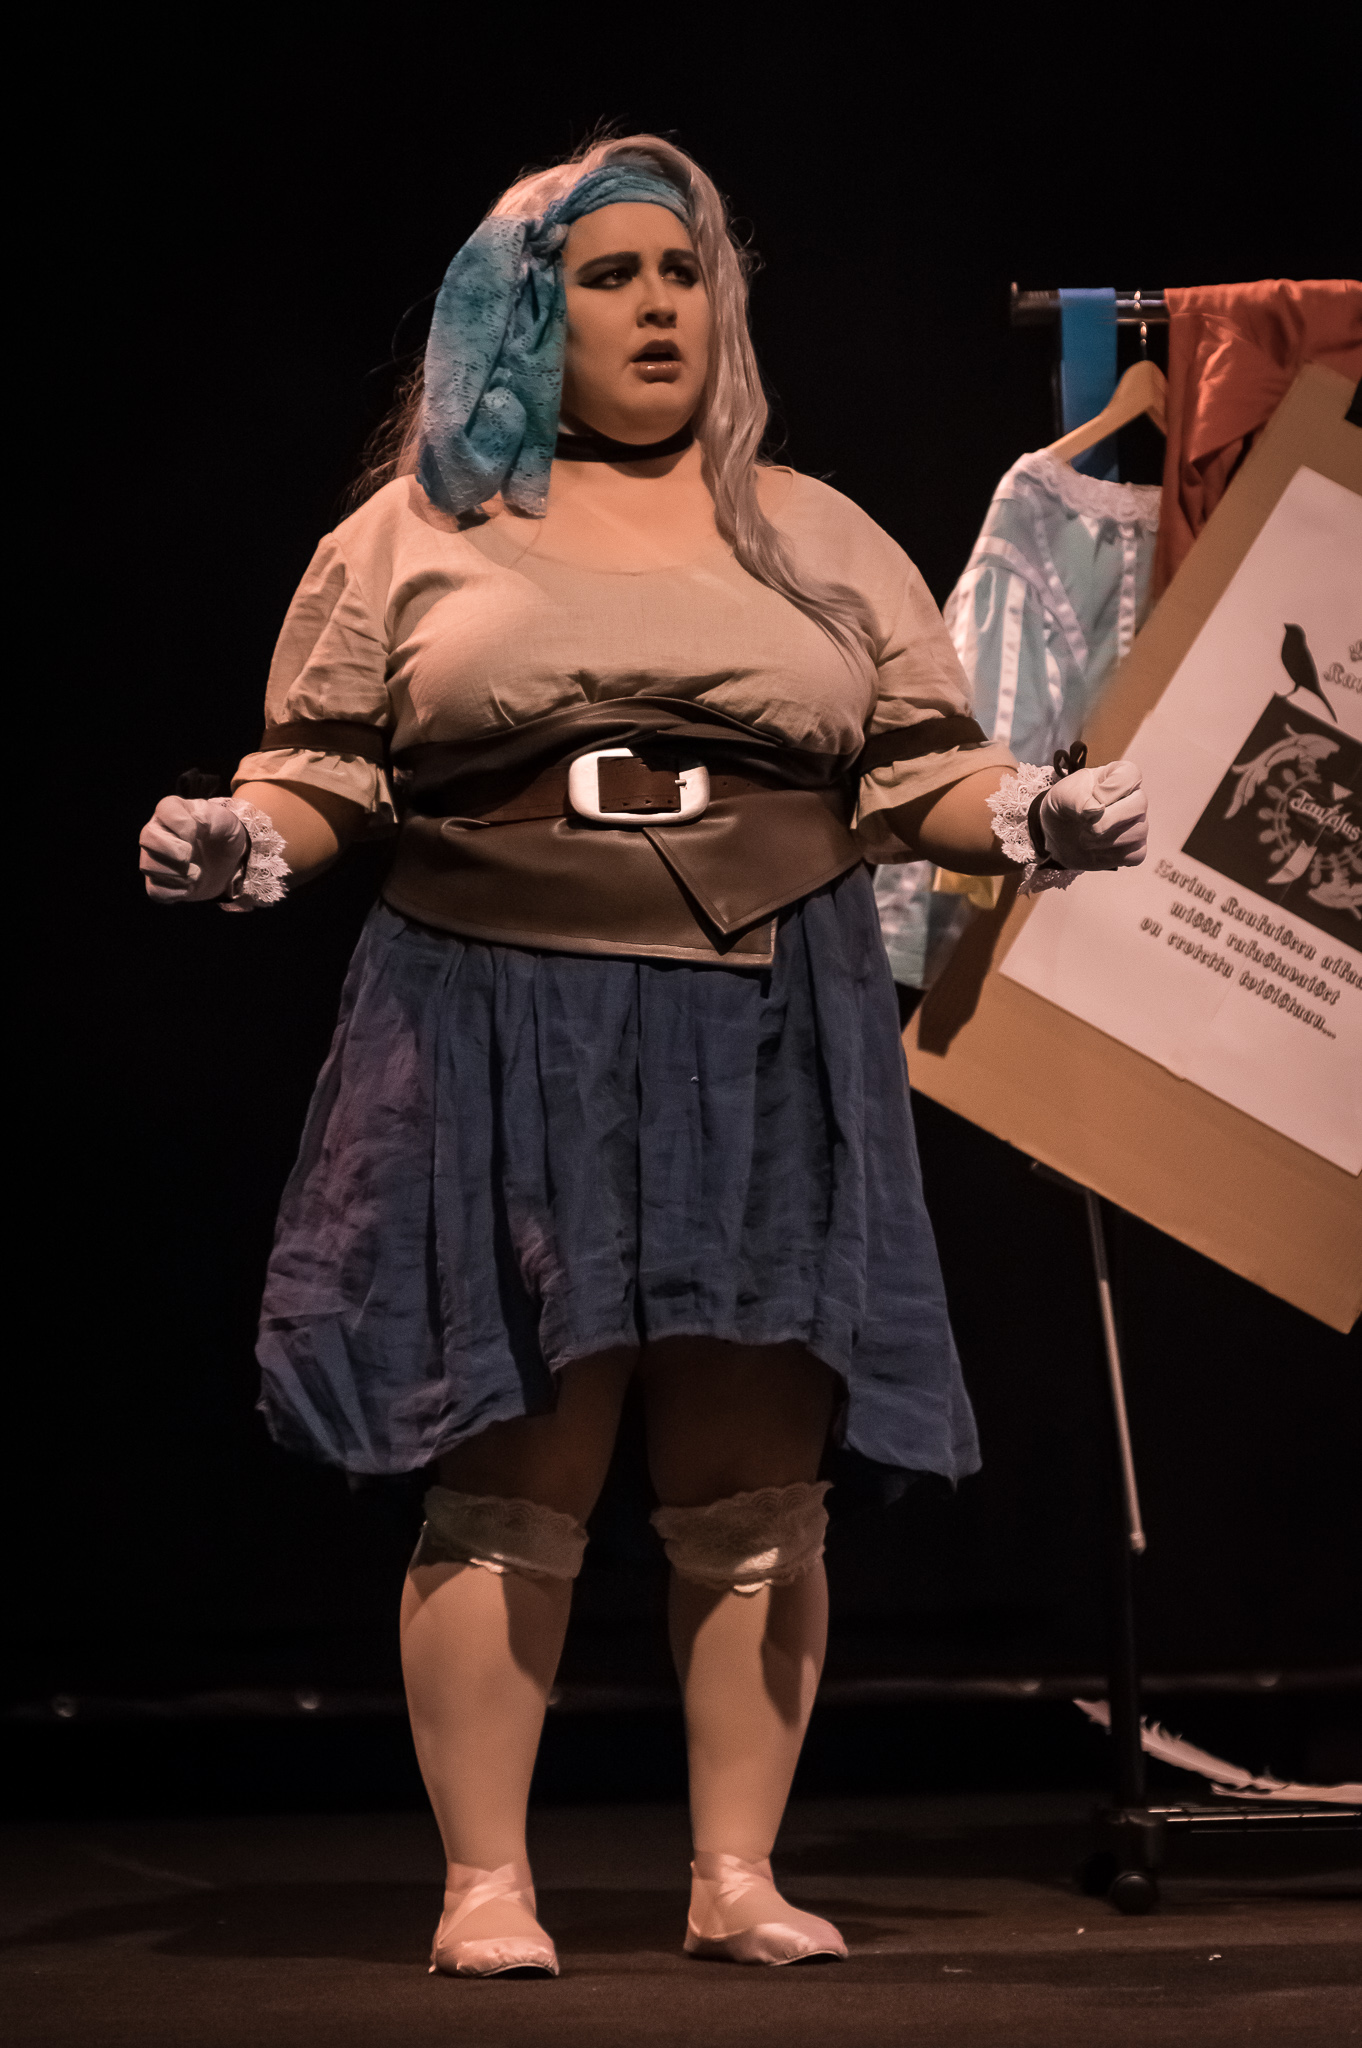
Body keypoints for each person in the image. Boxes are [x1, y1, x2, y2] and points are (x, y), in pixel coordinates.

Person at [137, 134, 1148, 1979]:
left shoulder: (813, 532)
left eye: (683, 273)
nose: (659, 306)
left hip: (763, 1015)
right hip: (498, 1005)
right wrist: (244, 840)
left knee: (755, 1474)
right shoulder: (414, 533)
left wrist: (1031, 818)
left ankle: (733, 1874)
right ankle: (485, 1884)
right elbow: (329, 763)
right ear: (524, 314)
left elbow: (918, 766)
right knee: (511, 1451)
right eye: (610, 276)